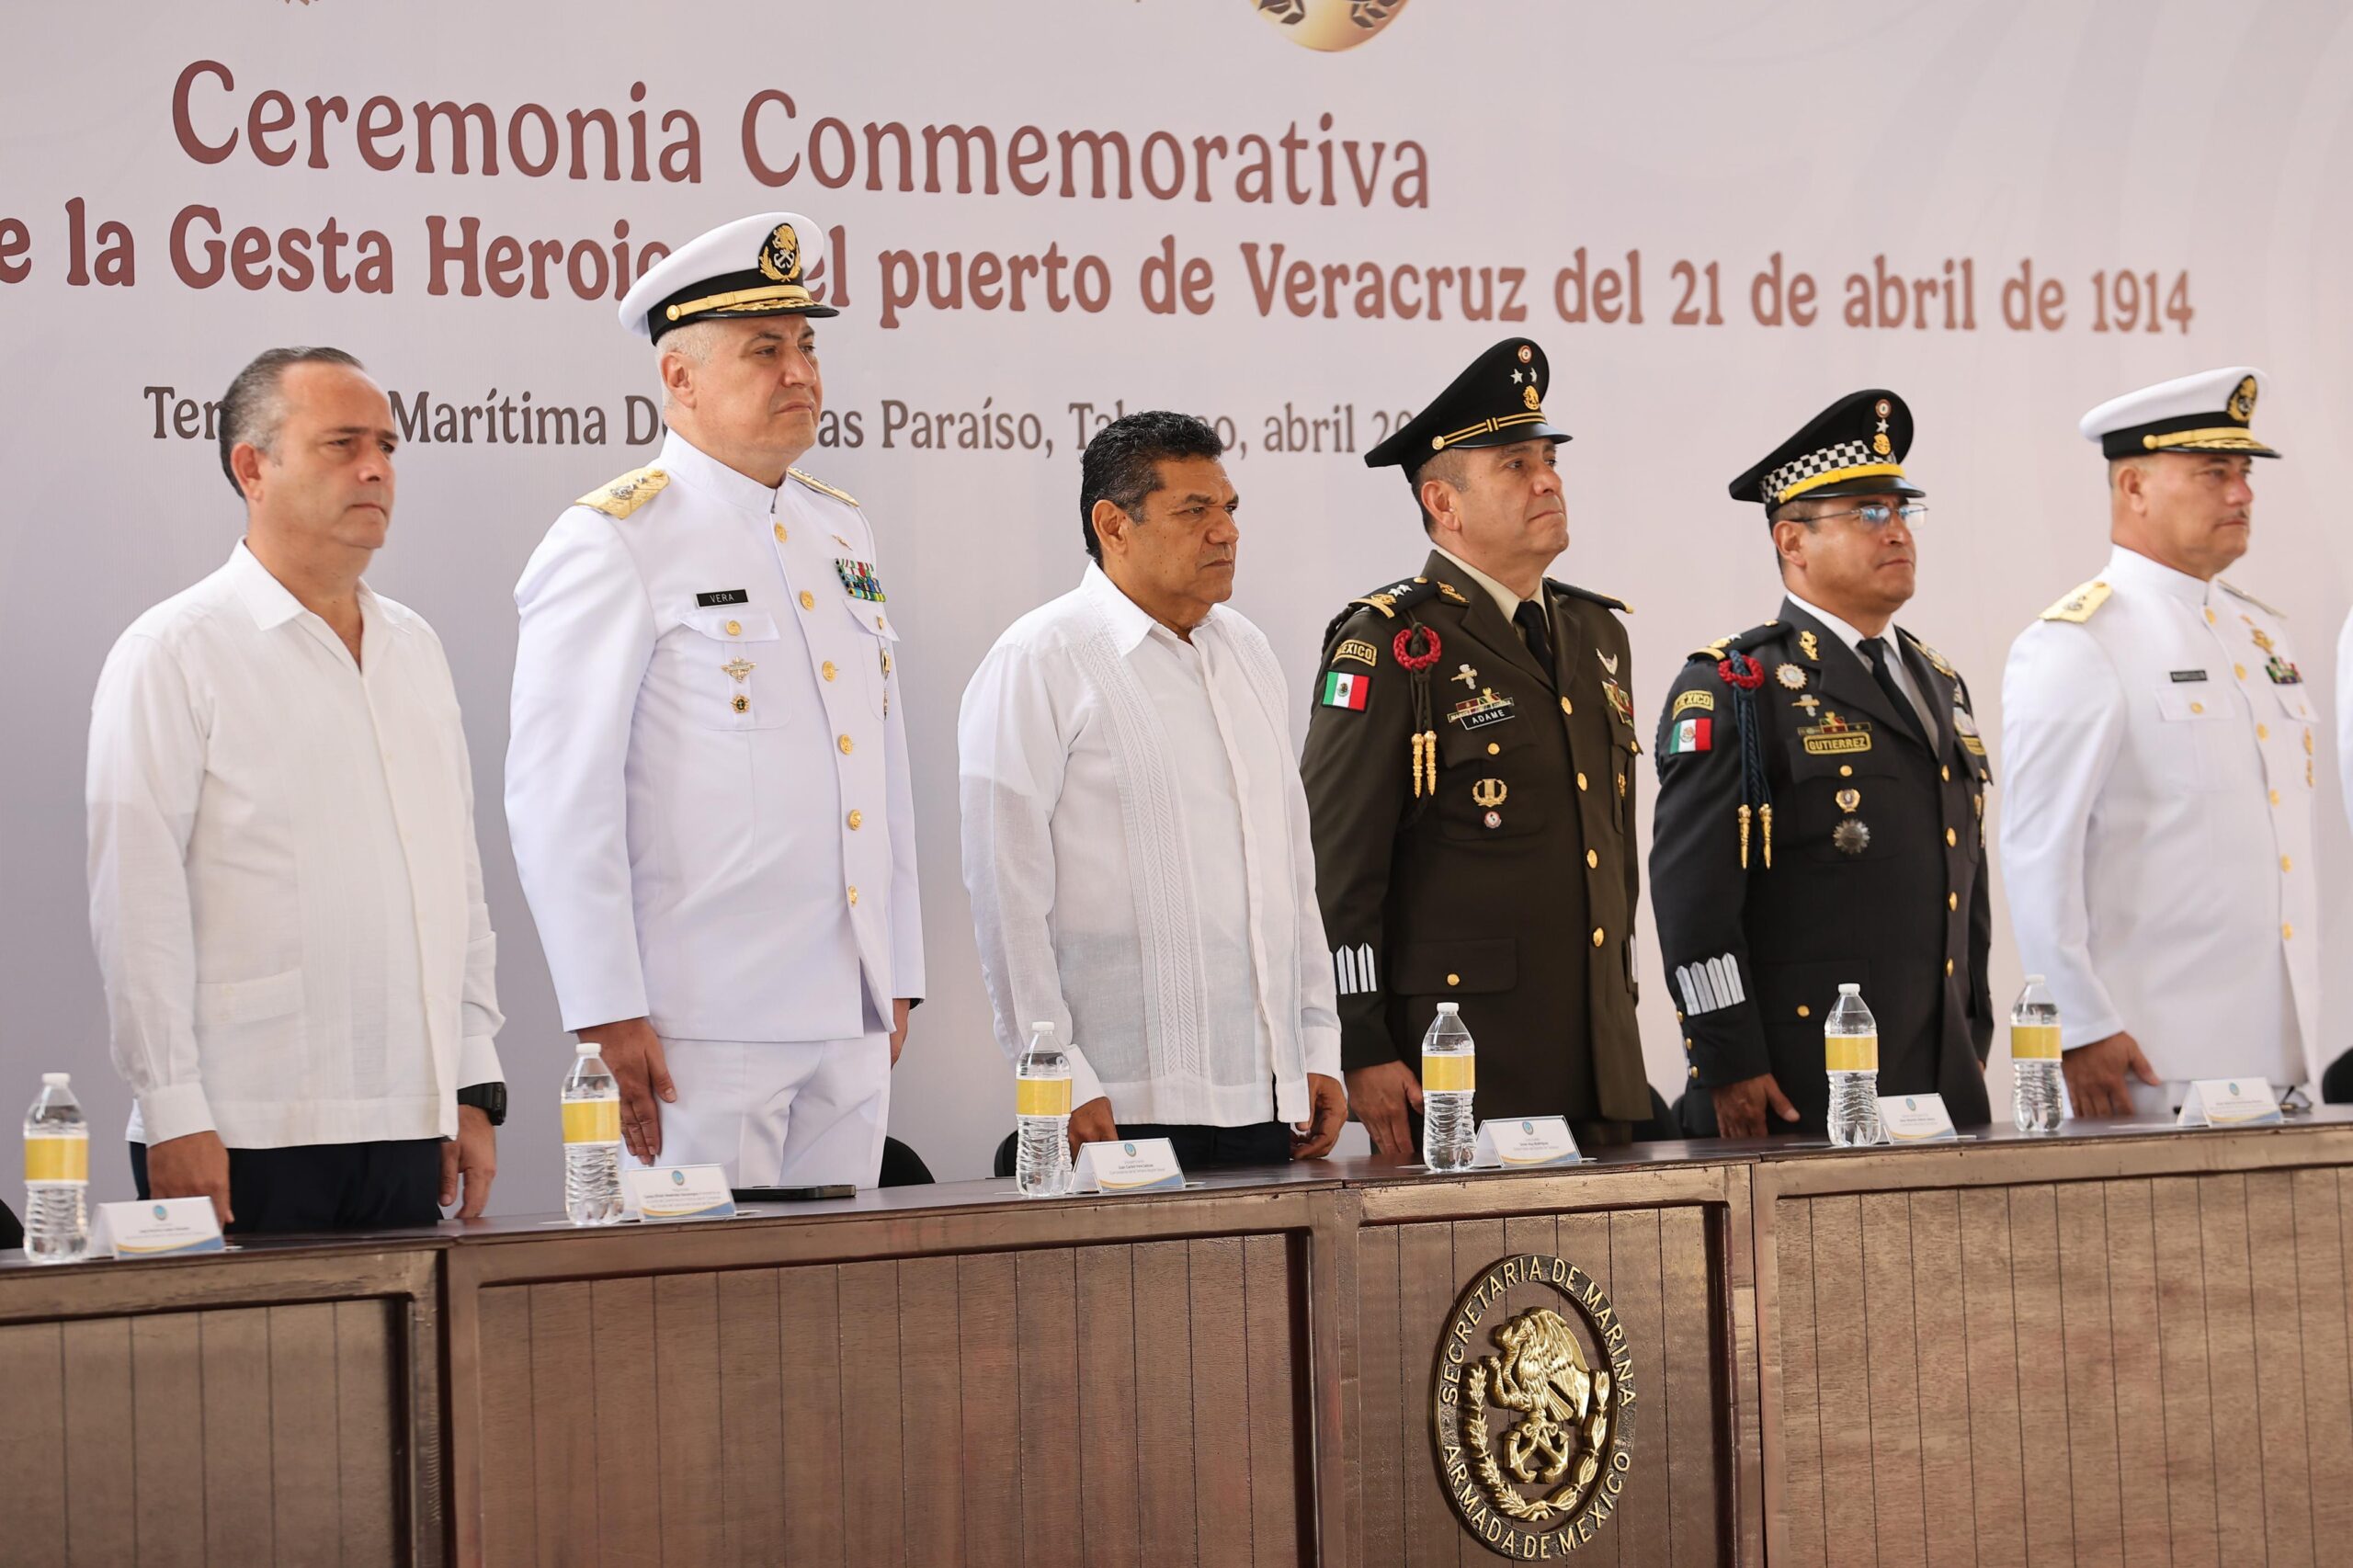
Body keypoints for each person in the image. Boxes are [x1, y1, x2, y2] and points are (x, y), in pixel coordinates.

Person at [506, 212, 921, 1189]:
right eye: (765, 349)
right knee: (690, 1324)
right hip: (696, 1021)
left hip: (849, 1012)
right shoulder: (614, 538)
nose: (800, 373)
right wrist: (606, 1007)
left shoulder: (839, 530)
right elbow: (560, 796)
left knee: (841, 1313)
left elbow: (881, 762)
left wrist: (894, 969)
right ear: (679, 379)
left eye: (808, 345)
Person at [85, 347, 504, 1232]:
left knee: (413, 1374)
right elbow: (137, 905)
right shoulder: (174, 652)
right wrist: (173, 1108)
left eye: (387, 446)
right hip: (241, 1130)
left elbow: (453, 882)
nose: (376, 469)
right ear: (252, 466)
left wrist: (469, 1084)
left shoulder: (415, 649)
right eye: (341, 444)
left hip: (407, 1128)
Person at [959, 412, 1347, 1170]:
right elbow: (1004, 894)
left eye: (1229, 509)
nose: (1226, 533)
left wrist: (1316, 1042)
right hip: (1116, 1104)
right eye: (1194, 511)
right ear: (1114, 525)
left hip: (1268, 1101)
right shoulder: (1039, 658)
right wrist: (1056, 1074)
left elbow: (1291, 875)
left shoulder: (1251, 651)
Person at [1301, 339, 1649, 1155]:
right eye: (1515, 465)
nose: (1548, 479)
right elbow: (1336, 869)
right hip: (1455, 1073)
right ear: (1444, 504)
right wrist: (1363, 1045)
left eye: (1549, 459)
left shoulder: (1596, 632)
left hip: (1595, 1063)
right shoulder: (1391, 642)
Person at [1649, 391, 1993, 1138]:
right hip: (1797, 1087)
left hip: (1939, 1082)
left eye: (1903, 511)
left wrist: (1972, 1031)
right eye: (1867, 513)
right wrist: (1727, 1060)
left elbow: (1964, 877)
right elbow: (1692, 901)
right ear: (1792, 542)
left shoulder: (1938, 681)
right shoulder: (1736, 687)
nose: (1896, 530)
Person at [2001, 367, 2319, 1116]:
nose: (2241, 494)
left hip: (2284, 1060)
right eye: (2214, 473)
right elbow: (2037, 852)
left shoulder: (2260, 632)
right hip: (2152, 1064)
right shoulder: (2080, 642)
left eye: (2243, 472)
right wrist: (2078, 1026)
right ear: (2134, 489)